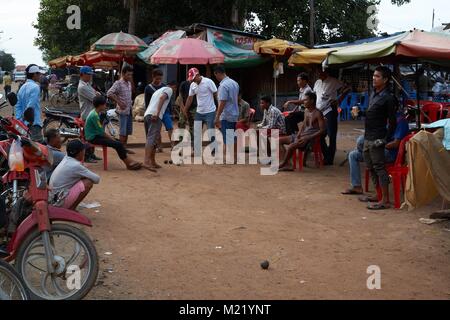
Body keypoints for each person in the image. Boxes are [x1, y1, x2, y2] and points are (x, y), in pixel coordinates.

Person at [341, 110, 409, 195]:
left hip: (390, 154)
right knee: (353, 154)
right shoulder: (385, 118)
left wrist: (379, 145)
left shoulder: (400, 121)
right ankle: (356, 186)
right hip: (380, 149)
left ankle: (381, 194)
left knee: (364, 143)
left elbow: (396, 144)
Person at [360, 66, 397, 210]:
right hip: (367, 136)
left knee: (379, 168)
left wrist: (385, 139)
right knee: (370, 167)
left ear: (386, 80)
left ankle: (385, 200)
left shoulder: (389, 98)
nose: (374, 78)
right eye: (374, 76)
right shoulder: (374, 94)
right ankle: (378, 194)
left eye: (377, 76)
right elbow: (371, 113)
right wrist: (361, 114)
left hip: (377, 137)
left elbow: (393, 122)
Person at [85, 95, 142, 171]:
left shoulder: (95, 113)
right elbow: (101, 132)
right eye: (105, 104)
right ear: (100, 105)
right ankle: (128, 163)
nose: (106, 106)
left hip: (96, 135)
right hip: (93, 138)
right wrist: (111, 138)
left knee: (118, 142)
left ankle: (129, 160)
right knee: (117, 144)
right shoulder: (94, 116)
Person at [278, 91, 326, 170]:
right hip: (302, 136)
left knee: (290, 147)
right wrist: (299, 133)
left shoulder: (318, 113)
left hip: (309, 139)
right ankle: (288, 163)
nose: (304, 102)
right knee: (279, 140)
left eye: (306, 100)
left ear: (312, 101)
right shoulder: (306, 111)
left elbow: (322, 130)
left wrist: (308, 137)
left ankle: (284, 163)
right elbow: (304, 124)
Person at [49, 139, 100, 210]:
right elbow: (97, 179)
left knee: (81, 177)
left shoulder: (67, 158)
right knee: (88, 182)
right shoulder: (75, 165)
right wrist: (84, 172)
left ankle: (68, 206)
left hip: (54, 197)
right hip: (59, 201)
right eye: (83, 150)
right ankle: (71, 209)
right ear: (80, 152)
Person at [314, 69, 350, 165]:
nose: (318, 74)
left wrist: (339, 100)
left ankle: (330, 159)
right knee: (320, 134)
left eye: (320, 72)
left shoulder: (333, 81)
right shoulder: (317, 82)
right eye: (317, 72)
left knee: (331, 135)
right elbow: (315, 96)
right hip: (319, 111)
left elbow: (347, 88)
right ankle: (327, 155)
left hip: (330, 110)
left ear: (325, 72)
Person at [143, 82, 178, 170]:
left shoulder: (157, 91)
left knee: (152, 139)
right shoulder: (169, 89)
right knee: (151, 139)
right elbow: (162, 98)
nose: (174, 91)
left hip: (147, 115)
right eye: (175, 89)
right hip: (155, 116)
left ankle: (152, 161)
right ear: (173, 87)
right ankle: (146, 162)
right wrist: (157, 113)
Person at [183, 68, 218, 151]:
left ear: (198, 75)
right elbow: (190, 98)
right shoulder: (193, 85)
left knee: (210, 131)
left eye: (194, 78)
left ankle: (214, 150)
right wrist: (185, 110)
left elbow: (216, 94)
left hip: (210, 111)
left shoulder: (208, 82)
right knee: (197, 132)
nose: (193, 80)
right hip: (199, 112)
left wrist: (219, 110)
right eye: (191, 79)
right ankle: (196, 150)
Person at [144, 69, 174, 151]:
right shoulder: (148, 88)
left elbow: (168, 101)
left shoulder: (164, 87)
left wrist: (171, 111)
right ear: (152, 77)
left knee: (170, 127)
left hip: (165, 111)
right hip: (154, 112)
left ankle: (173, 145)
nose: (158, 80)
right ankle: (159, 146)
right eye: (157, 79)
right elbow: (147, 102)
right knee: (157, 129)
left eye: (160, 79)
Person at [107, 65, 134, 152]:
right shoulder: (118, 83)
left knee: (127, 131)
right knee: (122, 131)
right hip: (122, 111)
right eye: (128, 75)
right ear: (123, 73)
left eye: (131, 75)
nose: (130, 77)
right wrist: (118, 102)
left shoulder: (129, 83)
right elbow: (109, 93)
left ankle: (124, 148)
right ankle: (121, 149)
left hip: (129, 110)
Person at [77, 66, 101, 163]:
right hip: (87, 114)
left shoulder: (87, 84)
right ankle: (87, 156)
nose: (90, 76)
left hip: (91, 113)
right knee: (89, 137)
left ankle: (91, 154)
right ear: (82, 75)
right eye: (88, 75)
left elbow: (96, 93)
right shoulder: (82, 86)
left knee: (93, 134)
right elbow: (95, 98)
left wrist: (97, 94)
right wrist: (97, 95)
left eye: (90, 75)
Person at [15, 64, 44, 142]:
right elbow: (30, 106)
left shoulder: (22, 87)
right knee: (37, 147)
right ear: (34, 74)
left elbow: (18, 105)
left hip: (23, 124)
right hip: (33, 123)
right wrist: (27, 119)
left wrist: (19, 119)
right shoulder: (35, 87)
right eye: (39, 73)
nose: (40, 75)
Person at [213, 65, 240, 145]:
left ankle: (230, 156)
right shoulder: (235, 83)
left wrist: (217, 117)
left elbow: (222, 103)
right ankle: (234, 156)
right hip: (234, 115)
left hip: (226, 116)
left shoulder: (223, 86)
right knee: (232, 138)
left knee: (228, 140)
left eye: (215, 75)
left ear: (217, 73)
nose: (216, 78)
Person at [178, 78, 197, 143]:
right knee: (181, 124)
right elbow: (180, 97)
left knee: (193, 127)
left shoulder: (197, 84)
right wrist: (183, 110)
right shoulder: (184, 84)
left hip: (194, 108)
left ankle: (191, 143)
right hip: (183, 107)